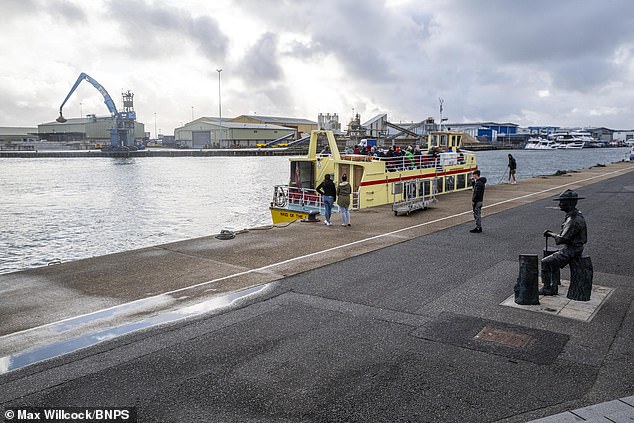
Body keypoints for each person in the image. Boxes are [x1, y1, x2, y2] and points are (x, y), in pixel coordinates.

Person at [540, 189, 587, 295]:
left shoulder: (572, 220)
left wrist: (550, 233)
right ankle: (554, 286)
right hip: (575, 247)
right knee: (553, 261)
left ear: (569, 203)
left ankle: (548, 288)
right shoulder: (576, 215)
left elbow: (561, 239)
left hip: (572, 250)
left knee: (545, 262)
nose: (559, 204)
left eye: (562, 202)